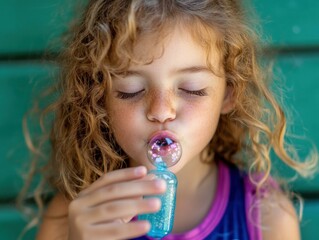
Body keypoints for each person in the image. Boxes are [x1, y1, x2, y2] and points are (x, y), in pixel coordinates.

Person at [20, 0, 317, 239]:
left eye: (192, 89)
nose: (161, 111)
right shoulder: (75, 217)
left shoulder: (266, 219)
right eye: (130, 90)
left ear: (229, 94)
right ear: (100, 98)